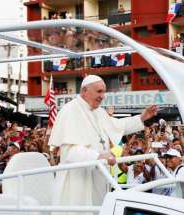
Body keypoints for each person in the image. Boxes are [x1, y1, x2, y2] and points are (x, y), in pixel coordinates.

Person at [48, 75, 158, 214]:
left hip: (97, 176)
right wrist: (98, 156)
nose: (103, 96)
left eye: (103, 92)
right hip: (77, 180)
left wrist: (142, 117)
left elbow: (119, 125)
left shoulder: (99, 112)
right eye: (99, 91)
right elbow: (70, 151)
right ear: (84, 91)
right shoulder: (70, 110)